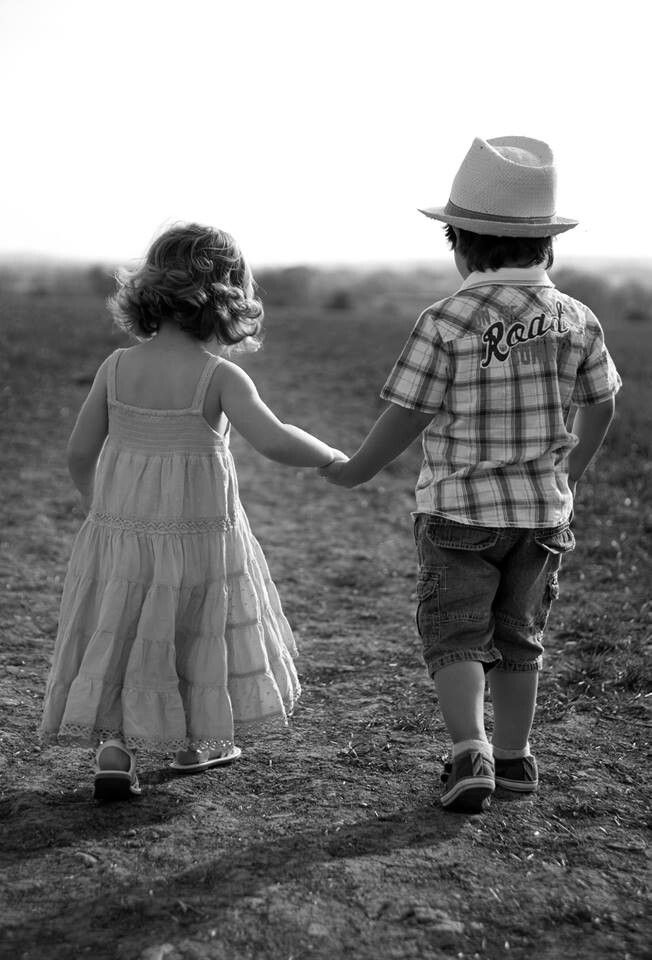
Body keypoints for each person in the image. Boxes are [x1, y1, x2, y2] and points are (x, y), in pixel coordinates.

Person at [321, 137, 621, 813]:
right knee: (520, 640)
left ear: (459, 244)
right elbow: (604, 403)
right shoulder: (578, 318)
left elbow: (408, 412)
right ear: (546, 246)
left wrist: (356, 470)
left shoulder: (446, 319)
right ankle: (514, 760)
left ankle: (469, 753)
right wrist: (570, 471)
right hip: (543, 515)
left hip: (458, 510)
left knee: (456, 634)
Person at [40, 222, 346, 800]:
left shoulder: (116, 367)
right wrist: (331, 457)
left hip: (122, 535)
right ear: (229, 295)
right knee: (191, 627)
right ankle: (195, 741)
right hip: (199, 539)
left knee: (123, 630)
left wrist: (99, 507)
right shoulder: (219, 376)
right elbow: (276, 439)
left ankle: (114, 751)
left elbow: (80, 452)